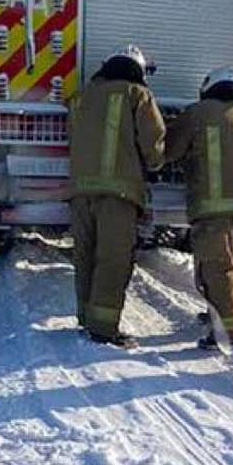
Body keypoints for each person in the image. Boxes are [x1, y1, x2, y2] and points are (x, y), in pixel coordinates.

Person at [67, 45, 165, 347]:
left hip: (82, 192)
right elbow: (153, 138)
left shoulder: (81, 96)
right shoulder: (137, 94)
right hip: (119, 194)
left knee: (86, 256)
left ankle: (86, 317)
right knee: (113, 259)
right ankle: (104, 328)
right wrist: (155, 163)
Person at [165, 67, 233, 350]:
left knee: (215, 268)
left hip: (214, 205)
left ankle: (230, 333)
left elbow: (170, 150)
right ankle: (220, 315)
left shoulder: (198, 113)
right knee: (230, 266)